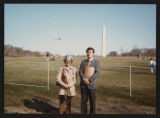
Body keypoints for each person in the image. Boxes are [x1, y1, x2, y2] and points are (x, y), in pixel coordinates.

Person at [79, 47, 100, 114]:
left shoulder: (96, 63)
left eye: (90, 52)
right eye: (88, 52)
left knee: (92, 103)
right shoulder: (83, 62)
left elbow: (97, 72)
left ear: (93, 53)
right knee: (83, 103)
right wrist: (83, 78)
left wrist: (90, 80)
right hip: (83, 85)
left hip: (92, 85)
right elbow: (80, 71)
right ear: (86, 53)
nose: (89, 53)